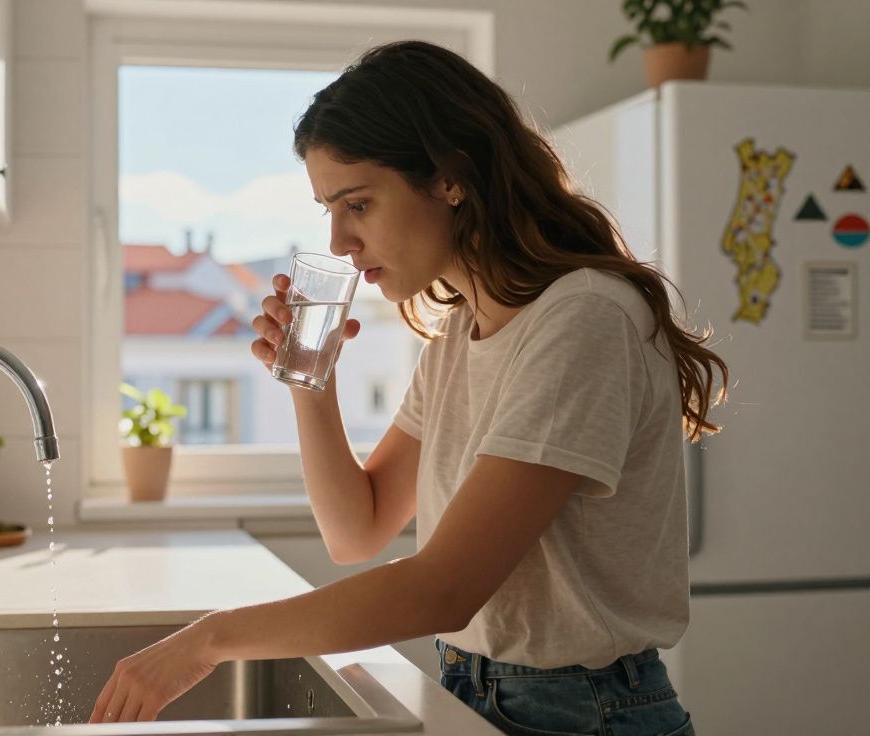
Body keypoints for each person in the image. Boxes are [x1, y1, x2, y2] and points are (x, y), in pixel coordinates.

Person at [89, 40, 727, 736]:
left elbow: (443, 590)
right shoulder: (463, 334)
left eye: (357, 203)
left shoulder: (582, 321)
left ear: (451, 178)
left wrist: (206, 641)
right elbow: (356, 531)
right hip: (481, 693)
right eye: (328, 209)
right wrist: (311, 383)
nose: (338, 241)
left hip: (585, 715)